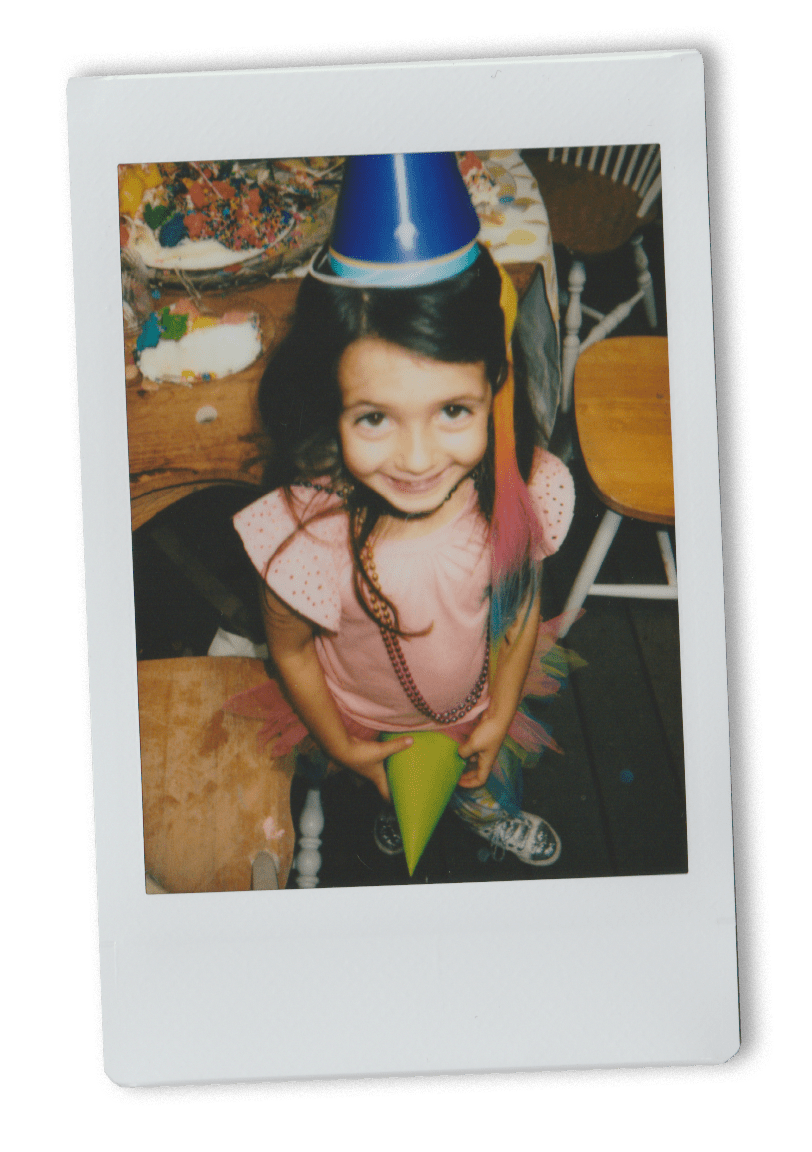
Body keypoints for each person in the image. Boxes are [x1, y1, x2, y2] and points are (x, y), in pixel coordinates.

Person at [227, 154, 576, 867]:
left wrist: (504, 706)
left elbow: (520, 602)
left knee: (476, 775)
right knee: (389, 788)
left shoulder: (518, 488)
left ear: (494, 387)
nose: (417, 461)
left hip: (477, 705)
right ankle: (403, 800)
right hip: (368, 721)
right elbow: (290, 648)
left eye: (452, 410)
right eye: (375, 419)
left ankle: (476, 805)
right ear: (332, 404)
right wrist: (345, 747)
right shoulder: (309, 539)